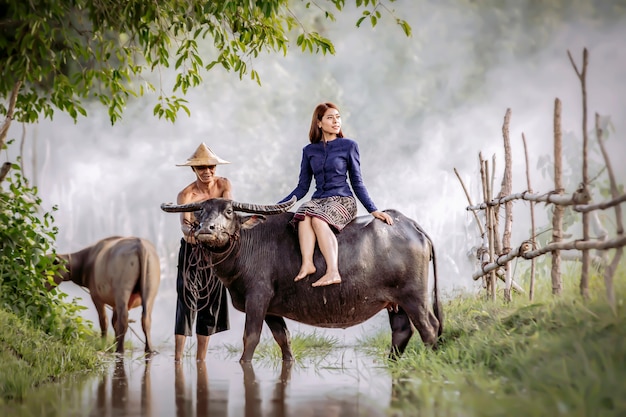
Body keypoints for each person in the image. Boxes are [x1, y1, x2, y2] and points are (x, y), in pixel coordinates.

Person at [278, 102, 393, 287]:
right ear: (319, 123)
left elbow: (357, 182)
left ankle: (333, 271)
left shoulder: (349, 146)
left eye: (338, 117)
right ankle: (308, 264)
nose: (335, 121)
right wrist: (277, 207)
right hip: (319, 202)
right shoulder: (309, 151)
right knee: (303, 214)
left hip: (343, 200)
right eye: (330, 118)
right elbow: (302, 187)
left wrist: (373, 210)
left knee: (316, 219)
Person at [173, 143, 231, 361]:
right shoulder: (186, 195)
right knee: (186, 299)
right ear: (194, 170)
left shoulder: (224, 184)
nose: (207, 172)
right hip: (192, 251)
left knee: (211, 300)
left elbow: (227, 212)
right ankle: (178, 358)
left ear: (216, 168)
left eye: (211, 167)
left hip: (215, 251)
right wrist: (198, 233)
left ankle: (201, 360)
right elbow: (185, 227)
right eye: (201, 168)